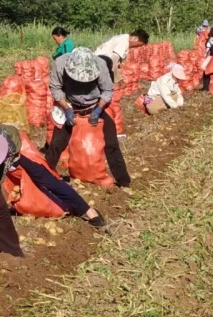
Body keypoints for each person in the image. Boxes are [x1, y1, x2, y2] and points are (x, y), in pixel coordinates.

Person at [47, 47, 130, 188]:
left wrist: (98, 109)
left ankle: (123, 182)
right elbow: (55, 88)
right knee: (56, 143)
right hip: (69, 104)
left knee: (111, 143)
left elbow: (107, 90)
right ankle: (46, 178)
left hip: (95, 105)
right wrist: (66, 109)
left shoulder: (101, 64)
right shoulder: (60, 63)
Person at [0, 123, 104, 227]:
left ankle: (88, 211)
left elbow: (52, 183)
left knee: (47, 181)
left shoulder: (15, 154)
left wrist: (87, 210)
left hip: (14, 150)